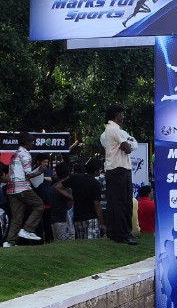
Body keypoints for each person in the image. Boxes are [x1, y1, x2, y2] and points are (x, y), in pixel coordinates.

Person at [100, 105, 138, 245]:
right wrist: (130, 143)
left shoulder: (110, 130)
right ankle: (124, 234)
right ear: (116, 114)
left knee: (115, 203)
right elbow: (128, 149)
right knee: (123, 203)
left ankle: (115, 232)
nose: (123, 116)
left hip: (114, 169)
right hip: (119, 168)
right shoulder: (114, 129)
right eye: (122, 114)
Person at [5, 132, 49, 246]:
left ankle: (10, 242)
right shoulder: (25, 154)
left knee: (17, 215)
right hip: (22, 187)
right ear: (27, 142)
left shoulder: (15, 154)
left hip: (11, 189)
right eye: (32, 142)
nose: (33, 144)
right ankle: (27, 230)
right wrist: (40, 170)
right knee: (39, 205)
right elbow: (28, 174)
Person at [57, 159, 106, 239]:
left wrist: (70, 197)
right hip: (91, 219)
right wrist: (102, 223)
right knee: (91, 244)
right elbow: (97, 205)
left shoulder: (75, 178)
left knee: (81, 242)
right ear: (96, 171)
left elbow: (58, 187)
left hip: (78, 218)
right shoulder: (96, 184)